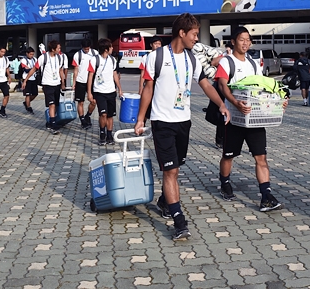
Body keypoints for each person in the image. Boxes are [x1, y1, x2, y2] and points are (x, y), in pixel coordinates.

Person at [134, 13, 230, 241]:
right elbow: (147, 88)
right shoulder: (156, 57)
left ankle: (164, 201)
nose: (196, 39)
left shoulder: (192, 59)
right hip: (162, 122)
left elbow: (205, 84)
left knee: (176, 168)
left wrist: (221, 104)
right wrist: (141, 119)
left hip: (183, 123)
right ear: (182, 33)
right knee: (171, 171)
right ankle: (179, 221)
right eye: (194, 34)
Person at [215, 26, 287, 211]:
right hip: (234, 118)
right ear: (233, 41)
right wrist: (235, 102)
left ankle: (266, 196)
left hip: (254, 118)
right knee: (228, 155)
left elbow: (263, 89)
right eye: (241, 39)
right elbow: (223, 86)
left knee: (261, 157)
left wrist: (278, 101)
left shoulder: (255, 64)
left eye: (248, 39)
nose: (245, 43)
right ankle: (225, 182)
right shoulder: (227, 62)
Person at [22, 40, 65, 134]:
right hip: (47, 84)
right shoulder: (43, 57)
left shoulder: (59, 58)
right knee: (52, 104)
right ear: (53, 49)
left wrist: (63, 82)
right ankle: (53, 125)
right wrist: (25, 80)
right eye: (58, 48)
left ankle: (50, 122)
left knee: (56, 105)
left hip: (57, 84)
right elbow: (34, 69)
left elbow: (60, 70)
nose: (59, 49)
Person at [87, 38, 122, 146]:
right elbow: (90, 76)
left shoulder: (112, 60)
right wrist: (89, 92)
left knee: (110, 115)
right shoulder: (94, 60)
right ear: (106, 49)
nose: (112, 48)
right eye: (111, 47)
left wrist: (120, 88)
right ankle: (102, 134)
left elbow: (115, 75)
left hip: (111, 91)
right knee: (103, 114)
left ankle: (109, 135)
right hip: (99, 92)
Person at [72, 39, 98, 128]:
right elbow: (76, 70)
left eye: (87, 49)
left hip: (92, 81)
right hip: (80, 81)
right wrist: (74, 83)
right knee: (81, 102)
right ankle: (82, 120)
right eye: (85, 49)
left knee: (94, 101)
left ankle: (88, 116)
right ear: (81, 47)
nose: (86, 50)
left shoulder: (95, 53)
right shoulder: (77, 55)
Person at [21, 47, 38, 114]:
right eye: (30, 54)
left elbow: (37, 68)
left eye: (33, 54)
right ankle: (29, 107)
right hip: (26, 78)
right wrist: (32, 69)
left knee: (35, 94)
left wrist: (31, 69)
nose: (32, 55)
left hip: (33, 78)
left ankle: (26, 102)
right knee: (27, 94)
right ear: (27, 54)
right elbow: (26, 70)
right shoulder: (23, 60)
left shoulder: (35, 59)